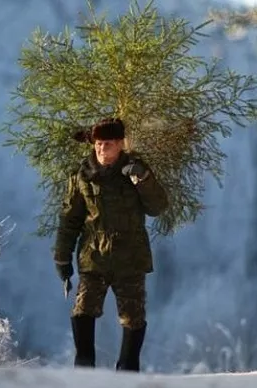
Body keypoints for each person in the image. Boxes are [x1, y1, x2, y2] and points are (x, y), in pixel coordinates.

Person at [52, 117, 169, 372]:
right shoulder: (83, 175)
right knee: (83, 310)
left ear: (120, 145)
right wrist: (62, 258)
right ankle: (84, 369)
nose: (102, 149)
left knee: (133, 318)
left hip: (130, 256)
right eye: (98, 144)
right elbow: (69, 219)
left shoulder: (136, 170)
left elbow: (158, 207)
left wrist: (143, 179)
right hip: (94, 256)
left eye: (108, 144)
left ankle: (127, 372)